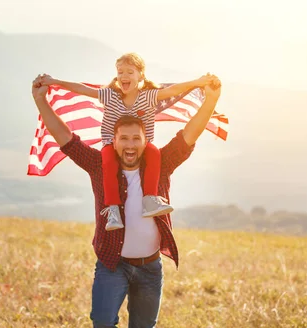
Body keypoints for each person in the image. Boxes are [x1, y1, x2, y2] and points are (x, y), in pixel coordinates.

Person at [31, 72, 222, 328]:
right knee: (102, 322)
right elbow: (66, 138)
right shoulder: (99, 165)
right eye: (124, 139)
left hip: (150, 268)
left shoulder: (161, 164)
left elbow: (189, 134)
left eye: (136, 139)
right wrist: (40, 100)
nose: (130, 145)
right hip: (113, 265)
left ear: (145, 141)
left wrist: (211, 99)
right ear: (114, 140)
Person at [38, 53, 213, 231]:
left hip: (144, 146)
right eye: (120, 72)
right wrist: (56, 81)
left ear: (141, 76)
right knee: (108, 163)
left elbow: (172, 91)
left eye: (130, 72)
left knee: (154, 155)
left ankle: (149, 200)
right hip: (110, 144)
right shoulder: (110, 95)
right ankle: (113, 209)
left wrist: (196, 82)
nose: (124, 76)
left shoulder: (148, 97)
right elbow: (83, 89)